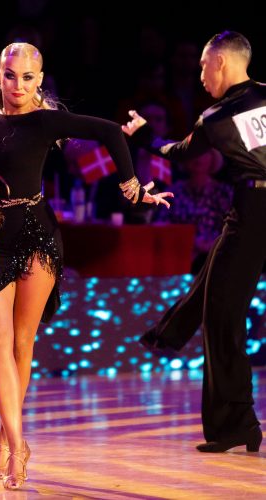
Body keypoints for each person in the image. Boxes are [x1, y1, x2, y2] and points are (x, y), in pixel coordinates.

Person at [0, 42, 173, 490]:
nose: (18, 85)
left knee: (22, 343)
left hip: (36, 232)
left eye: (28, 77)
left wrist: (133, 186)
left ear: (40, 79)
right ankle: (18, 442)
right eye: (11, 75)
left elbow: (109, 132)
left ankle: (6, 438)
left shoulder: (47, 120)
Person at [122, 30, 265, 453]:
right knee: (216, 297)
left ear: (220, 61)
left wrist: (144, 136)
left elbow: (179, 152)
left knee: (221, 317)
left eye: (203, 66)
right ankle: (169, 334)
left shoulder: (215, 117)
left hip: (253, 211)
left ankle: (236, 423)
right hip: (250, 212)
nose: (201, 75)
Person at [153, 148, 233, 274]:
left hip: (214, 257)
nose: (198, 159)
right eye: (193, 154)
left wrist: (209, 246)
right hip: (177, 256)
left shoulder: (224, 193)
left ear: (212, 159)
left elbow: (233, 230)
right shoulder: (174, 191)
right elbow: (160, 224)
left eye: (203, 154)